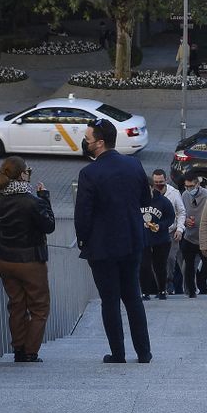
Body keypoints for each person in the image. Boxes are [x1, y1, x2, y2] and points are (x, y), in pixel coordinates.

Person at [74, 118, 152, 364]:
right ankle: (144, 352)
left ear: (99, 143)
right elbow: (145, 200)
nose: (85, 143)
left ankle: (118, 353)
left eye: (87, 140)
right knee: (133, 297)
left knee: (110, 301)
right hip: (132, 241)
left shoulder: (89, 173)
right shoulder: (134, 165)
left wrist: (83, 241)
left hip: (102, 247)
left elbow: (82, 215)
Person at [0, 156, 57, 362]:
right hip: (30, 261)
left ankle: (18, 350)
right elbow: (49, 226)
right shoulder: (32, 202)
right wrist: (44, 198)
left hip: (5, 259)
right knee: (39, 306)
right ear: (23, 174)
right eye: (27, 171)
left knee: (16, 304)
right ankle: (30, 352)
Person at [140, 170, 177, 301]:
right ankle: (145, 292)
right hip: (143, 239)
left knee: (160, 266)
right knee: (143, 266)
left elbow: (171, 217)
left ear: (151, 187)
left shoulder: (163, 201)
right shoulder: (136, 201)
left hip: (161, 239)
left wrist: (160, 226)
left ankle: (162, 290)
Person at [178, 172, 207, 298]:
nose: (189, 189)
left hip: (204, 238)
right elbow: (181, 213)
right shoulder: (184, 195)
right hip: (189, 236)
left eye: (191, 186)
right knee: (188, 266)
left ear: (197, 184)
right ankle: (191, 291)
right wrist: (185, 221)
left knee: (206, 266)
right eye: (186, 186)